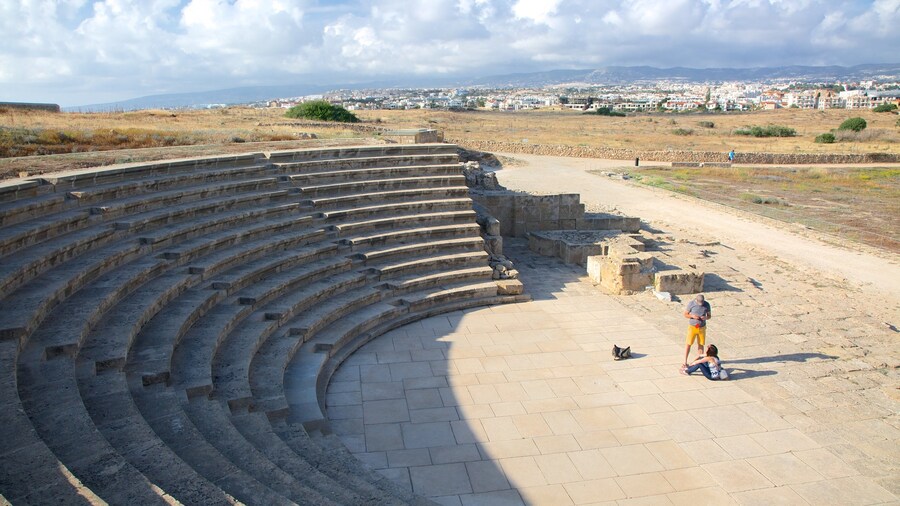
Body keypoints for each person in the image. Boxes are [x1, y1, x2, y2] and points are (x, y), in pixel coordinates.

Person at [683, 294, 711, 367]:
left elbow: (709, 316)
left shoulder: (707, 305)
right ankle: (685, 362)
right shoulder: (691, 304)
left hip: (702, 327)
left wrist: (705, 317)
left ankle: (699, 361)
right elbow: (685, 314)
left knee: (701, 345)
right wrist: (692, 316)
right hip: (693, 327)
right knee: (688, 344)